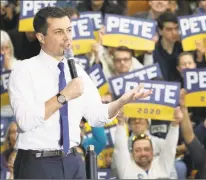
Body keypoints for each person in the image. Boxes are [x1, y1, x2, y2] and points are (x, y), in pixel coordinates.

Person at [8, 7, 152, 179]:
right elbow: (25, 120)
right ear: (41, 37)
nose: (67, 37)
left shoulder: (77, 71)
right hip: (38, 163)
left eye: (69, 30)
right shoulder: (24, 70)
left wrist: (121, 101)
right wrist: (63, 96)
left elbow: (97, 116)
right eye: (59, 31)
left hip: (73, 161)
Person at [113, 108, 183, 179]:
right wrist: (121, 123)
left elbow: (170, 149)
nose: (143, 153)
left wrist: (175, 124)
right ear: (132, 154)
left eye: (146, 149)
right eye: (138, 150)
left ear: (153, 152)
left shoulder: (161, 168)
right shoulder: (126, 170)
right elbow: (120, 149)